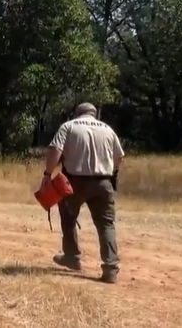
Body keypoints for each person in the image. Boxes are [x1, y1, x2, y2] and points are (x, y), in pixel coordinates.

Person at [43, 103, 124, 283]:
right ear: (95, 114)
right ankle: (110, 268)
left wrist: (48, 174)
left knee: (68, 215)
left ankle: (72, 257)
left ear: (77, 113)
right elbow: (119, 157)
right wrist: (113, 173)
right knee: (106, 224)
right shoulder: (107, 129)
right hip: (103, 182)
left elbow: (56, 149)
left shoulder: (69, 126)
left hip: (75, 181)